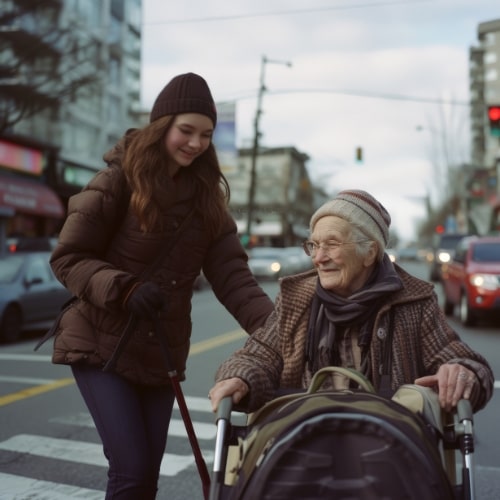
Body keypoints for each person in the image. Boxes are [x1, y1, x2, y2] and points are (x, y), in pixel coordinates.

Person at [47, 72, 274, 499]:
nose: (196, 143)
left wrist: (286, 334)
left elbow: (236, 281)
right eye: (185, 130)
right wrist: (123, 287)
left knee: (145, 478)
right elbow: (68, 258)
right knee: (131, 471)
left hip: (159, 353)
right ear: (161, 126)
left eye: (206, 134)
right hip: (99, 344)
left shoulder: (208, 199)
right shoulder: (118, 180)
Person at [209, 189, 494, 415]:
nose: (319, 257)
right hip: (306, 445)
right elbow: (259, 355)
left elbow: (461, 359)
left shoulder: (413, 301)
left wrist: (461, 372)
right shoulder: (298, 298)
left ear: (370, 253)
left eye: (331, 244)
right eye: (314, 245)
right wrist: (240, 377)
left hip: (391, 455)